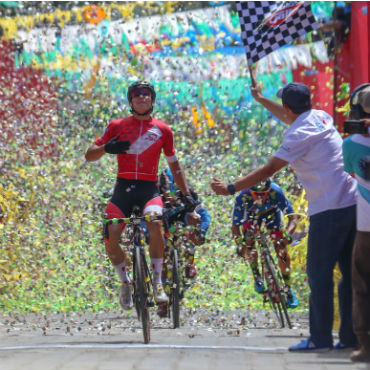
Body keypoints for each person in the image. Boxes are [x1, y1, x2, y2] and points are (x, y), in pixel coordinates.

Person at [211, 82, 357, 351]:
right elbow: (289, 115)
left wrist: (231, 188)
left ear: (289, 107)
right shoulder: (320, 116)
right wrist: (261, 100)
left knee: (318, 274)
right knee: (349, 274)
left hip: (329, 209)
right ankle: (349, 338)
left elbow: (269, 170)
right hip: (352, 203)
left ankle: (320, 339)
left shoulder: (297, 135)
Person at [85, 81, 196, 310]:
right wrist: (107, 148)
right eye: (137, 95)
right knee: (111, 238)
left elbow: (175, 166)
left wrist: (186, 195)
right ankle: (126, 282)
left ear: (153, 100)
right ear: (130, 100)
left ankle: (157, 283)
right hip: (123, 189)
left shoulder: (164, 130)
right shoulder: (116, 125)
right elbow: (89, 156)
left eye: (146, 95)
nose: (142, 98)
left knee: (155, 224)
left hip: (148, 189)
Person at [231, 179, 299, 308]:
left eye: (264, 194)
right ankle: (257, 274)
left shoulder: (276, 192)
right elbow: (235, 227)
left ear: (269, 190)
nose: (260, 198)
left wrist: (288, 235)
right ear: (250, 192)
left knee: (282, 250)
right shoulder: (242, 196)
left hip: (272, 215)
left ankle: (288, 287)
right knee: (249, 239)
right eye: (257, 195)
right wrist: (241, 244)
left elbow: (292, 217)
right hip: (251, 216)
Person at [156, 167, 211, 318]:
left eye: (173, 194)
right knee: (163, 255)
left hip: (182, 218)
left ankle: (189, 261)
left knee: (195, 220)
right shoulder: (154, 195)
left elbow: (204, 216)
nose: (170, 198)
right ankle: (163, 300)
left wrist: (201, 233)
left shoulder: (189, 193)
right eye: (166, 194)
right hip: (163, 223)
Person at [342, 84, 370, 362]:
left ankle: (365, 344)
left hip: (366, 227)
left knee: (361, 286)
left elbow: (351, 172)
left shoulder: (350, 145)